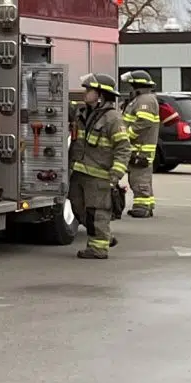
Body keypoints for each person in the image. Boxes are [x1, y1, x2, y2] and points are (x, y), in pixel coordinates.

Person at [69, 73, 127, 260]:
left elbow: (124, 148)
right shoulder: (82, 113)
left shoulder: (113, 119)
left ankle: (98, 248)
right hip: (79, 172)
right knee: (78, 208)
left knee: (97, 212)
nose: (85, 93)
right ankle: (105, 236)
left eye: (89, 90)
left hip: (99, 175)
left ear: (101, 95)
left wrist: (116, 174)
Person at [122, 71, 161, 219]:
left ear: (137, 85)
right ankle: (147, 205)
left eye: (131, 85)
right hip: (139, 147)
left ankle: (142, 207)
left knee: (139, 178)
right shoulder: (141, 99)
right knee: (141, 176)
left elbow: (144, 122)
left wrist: (126, 136)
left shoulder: (145, 100)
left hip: (140, 148)